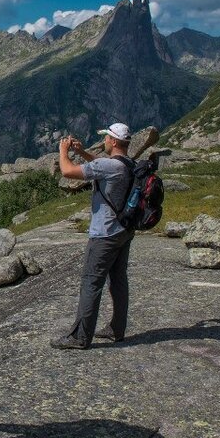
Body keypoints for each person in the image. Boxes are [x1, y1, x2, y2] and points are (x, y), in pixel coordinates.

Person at [51, 122, 136, 350]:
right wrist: (81, 153)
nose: (105, 141)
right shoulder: (128, 163)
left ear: (114, 141)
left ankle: (80, 337)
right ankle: (117, 329)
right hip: (124, 232)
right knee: (118, 280)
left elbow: (68, 171)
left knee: (91, 283)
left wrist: (63, 151)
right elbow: (100, 167)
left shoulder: (108, 166)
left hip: (104, 234)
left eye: (107, 138)